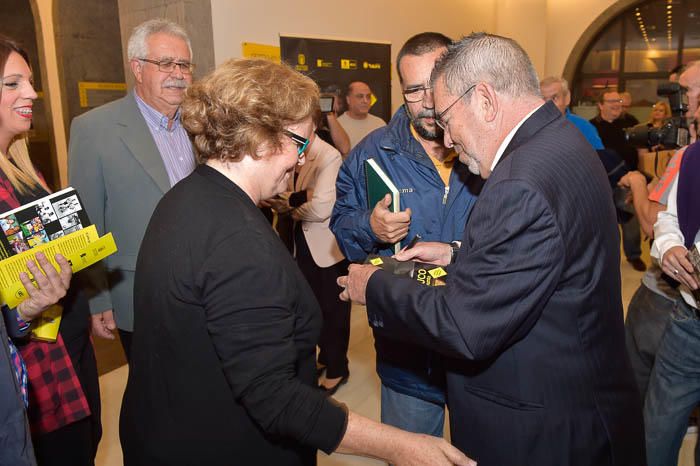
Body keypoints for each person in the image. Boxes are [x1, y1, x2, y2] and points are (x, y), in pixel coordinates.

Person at [119, 58, 472, 466]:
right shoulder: (237, 239)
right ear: (260, 137)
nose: (303, 160)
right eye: (301, 144)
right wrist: (402, 445)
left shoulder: (187, 197)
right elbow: (276, 398)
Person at [339, 32, 645, 466]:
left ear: (484, 100)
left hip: (544, 426)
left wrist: (374, 286)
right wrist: (457, 254)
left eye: (446, 118)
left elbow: (466, 328)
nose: (445, 139)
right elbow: (543, 252)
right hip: (579, 399)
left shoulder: (518, 181)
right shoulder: (558, 142)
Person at [331, 32, 481, 437]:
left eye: (435, 85)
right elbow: (342, 230)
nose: (428, 102)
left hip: (481, 343)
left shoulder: (487, 147)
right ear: (400, 91)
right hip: (408, 351)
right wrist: (369, 225)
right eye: (414, 90)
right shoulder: (372, 152)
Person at [68, 19, 196, 361]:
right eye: (166, 63)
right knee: (153, 398)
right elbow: (86, 222)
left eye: (184, 65)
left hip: (204, 287)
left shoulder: (202, 125)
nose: (178, 74)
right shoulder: (94, 129)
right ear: (137, 68)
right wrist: (98, 298)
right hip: (139, 292)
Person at [0, 35, 99, 466]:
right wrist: (21, 311)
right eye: (12, 83)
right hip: (25, 364)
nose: (32, 93)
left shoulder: (24, 167)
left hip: (61, 342)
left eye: (32, 82)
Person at [642, 60, 700, 466]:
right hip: (689, 321)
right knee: (656, 431)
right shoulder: (694, 157)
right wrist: (669, 246)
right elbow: (667, 217)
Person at [267, 127, 352, 394]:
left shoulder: (330, 156)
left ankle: (338, 368)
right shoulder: (293, 149)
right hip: (299, 242)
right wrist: (298, 199)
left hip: (327, 247)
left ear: (312, 125)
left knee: (333, 310)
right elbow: (287, 195)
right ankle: (325, 357)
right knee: (311, 306)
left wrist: (291, 207)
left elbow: (321, 208)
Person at [591, 90, 646, 271]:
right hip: (602, 182)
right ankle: (605, 259)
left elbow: (641, 151)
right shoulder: (592, 127)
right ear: (600, 105)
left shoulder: (631, 122)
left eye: (619, 100)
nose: (617, 104)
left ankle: (634, 255)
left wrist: (641, 174)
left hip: (630, 181)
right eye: (611, 101)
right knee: (605, 222)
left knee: (631, 220)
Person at [539, 76, 604, 149]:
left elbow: (599, 157)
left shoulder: (583, 127)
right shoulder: (533, 127)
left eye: (554, 98)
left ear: (567, 98)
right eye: (543, 99)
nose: (548, 104)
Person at [337, 81, 386, 149]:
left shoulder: (380, 124)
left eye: (368, 97)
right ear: (348, 99)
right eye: (360, 96)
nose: (365, 101)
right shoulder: (338, 125)